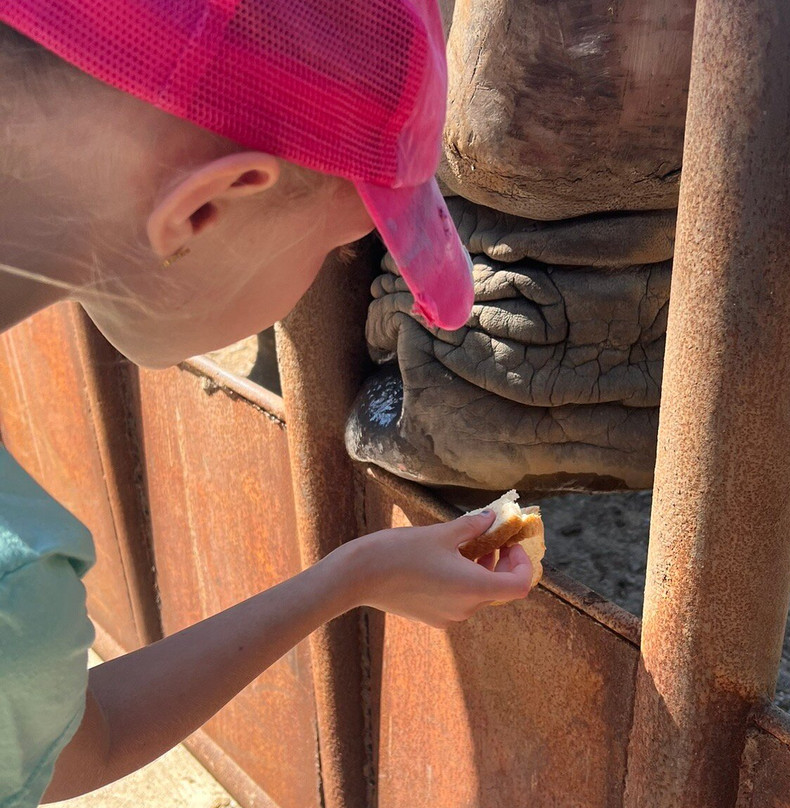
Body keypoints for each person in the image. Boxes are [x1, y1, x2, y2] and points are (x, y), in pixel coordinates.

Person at [0, 2, 536, 805]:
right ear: (207, 207)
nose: (333, 262)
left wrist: (348, 576)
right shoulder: (18, 582)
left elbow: (65, 743)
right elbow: (76, 752)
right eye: (337, 246)